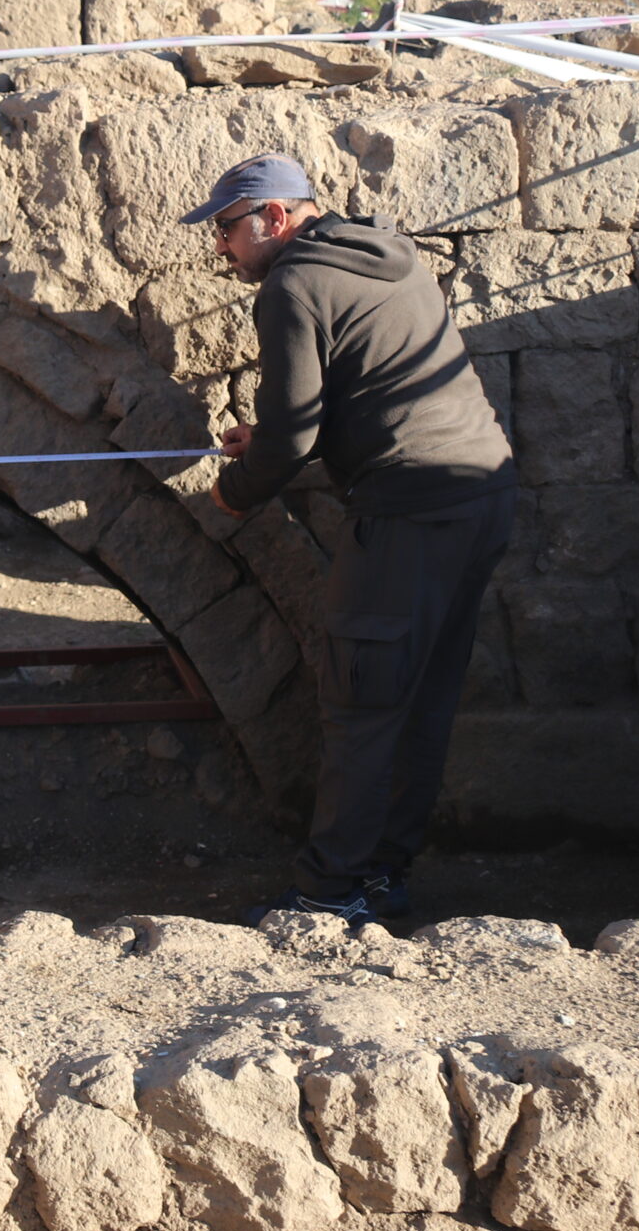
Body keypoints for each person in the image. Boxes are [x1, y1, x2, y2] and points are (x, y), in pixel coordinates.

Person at [186, 153, 516, 929]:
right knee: (422, 700)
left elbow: (297, 430)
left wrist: (235, 493)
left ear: (273, 217)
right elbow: (359, 387)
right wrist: (270, 438)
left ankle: (330, 889)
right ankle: (381, 878)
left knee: (362, 699)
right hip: (482, 496)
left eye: (228, 230)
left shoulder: (292, 285)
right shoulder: (387, 254)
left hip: (409, 513)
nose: (222, 249)